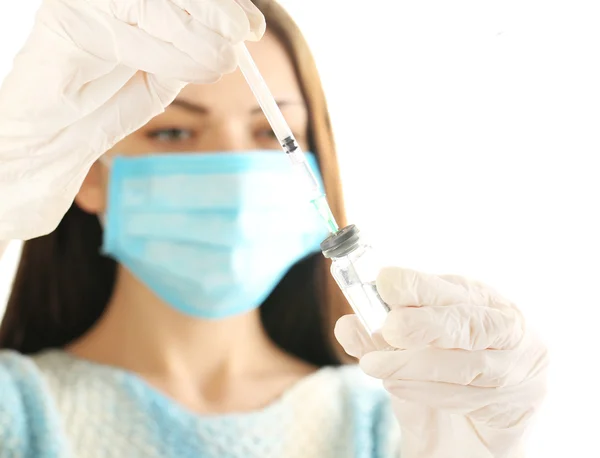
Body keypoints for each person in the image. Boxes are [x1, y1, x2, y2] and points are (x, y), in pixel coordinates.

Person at [0, 1, 548, 457]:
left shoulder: (390, 429)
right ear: (84, 171)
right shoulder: (19, 413)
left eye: (269, 133)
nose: (233, 171)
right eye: (172, 133)